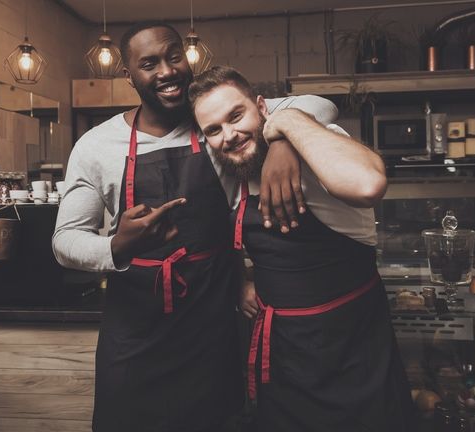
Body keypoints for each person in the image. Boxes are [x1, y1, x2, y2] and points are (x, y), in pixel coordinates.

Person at [52, 22, 337, 431]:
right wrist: (117, 246)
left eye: (173, 56)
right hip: (134, 339)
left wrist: (284, 140)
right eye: (149, 64)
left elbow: (321, 104)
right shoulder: (97, 146)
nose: (167, 71)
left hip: (212, 332)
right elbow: (65, 241)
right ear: (128, 75)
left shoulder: (215, 123)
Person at [189, 65, 416, 432]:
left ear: (263, 107)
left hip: (353, 351)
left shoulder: (317, 144)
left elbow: (368, 183)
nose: (228, 135)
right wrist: (243, 279)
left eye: (236, 116)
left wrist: (286, 129)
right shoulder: (232, 170)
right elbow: (222, 234)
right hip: (284, 358)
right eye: (213, 130)